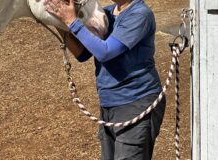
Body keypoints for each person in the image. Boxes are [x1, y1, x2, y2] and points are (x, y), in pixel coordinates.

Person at [45, 0, 166, 159]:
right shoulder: (107, 13)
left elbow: (105, 52)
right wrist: (58, 22)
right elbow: (83, 53)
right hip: (110, 104)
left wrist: (71, 21)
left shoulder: (140, 14)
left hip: (136, 101)